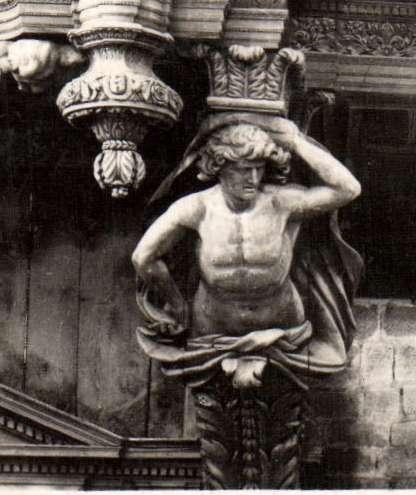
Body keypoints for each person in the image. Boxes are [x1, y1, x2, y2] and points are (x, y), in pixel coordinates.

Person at [133, 115, 363, 390]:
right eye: (243, 169)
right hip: (212, 333)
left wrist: (295, 142)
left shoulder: (280, 202)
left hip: (284, 332)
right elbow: (143, 256)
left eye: (258, 168)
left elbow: (348, 189)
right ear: (218, 166)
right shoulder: (196, 208)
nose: (253, 178)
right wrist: (176, 302)